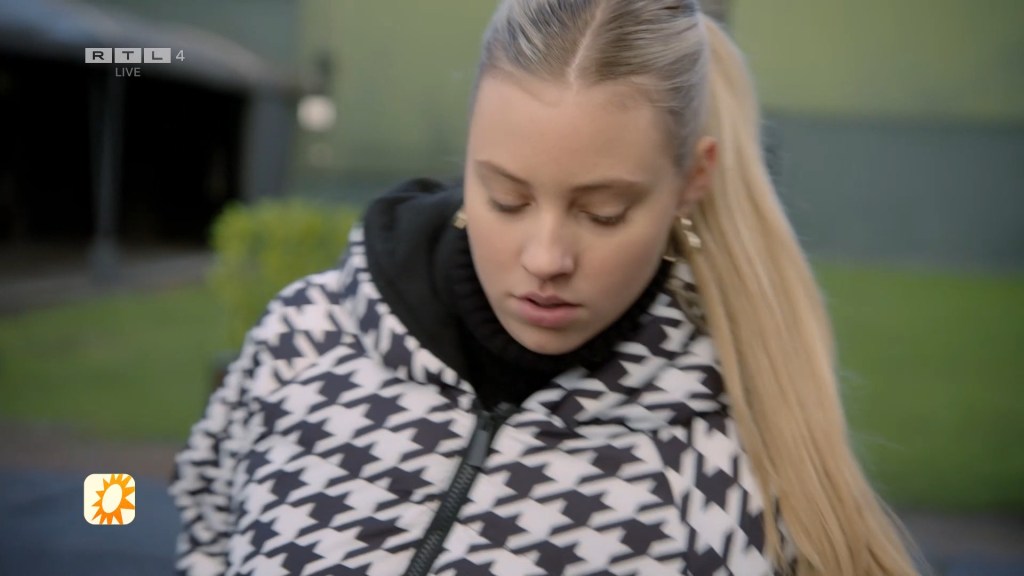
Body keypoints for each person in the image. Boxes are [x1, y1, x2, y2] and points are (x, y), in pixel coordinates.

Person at [170, 1, 921, 574]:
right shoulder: (302, 339)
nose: (546, 258)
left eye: (603, 212)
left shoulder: (726, 473)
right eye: (507, 198)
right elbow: (206, 532)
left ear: (693, 180)